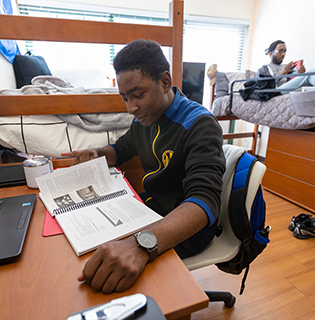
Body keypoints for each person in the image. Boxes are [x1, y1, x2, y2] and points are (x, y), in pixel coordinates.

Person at [61, 39, 226, 294]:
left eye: (138, 95)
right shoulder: (144, 121)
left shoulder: (200, 125)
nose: (130, 108)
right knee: (90, 250)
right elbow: (121, 150)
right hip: (152, 210)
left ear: (165, 81)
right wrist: (97, 154)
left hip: (188, 229)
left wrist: (141, 245)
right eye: (125, 98)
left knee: (112, 273)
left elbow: (204, 203)